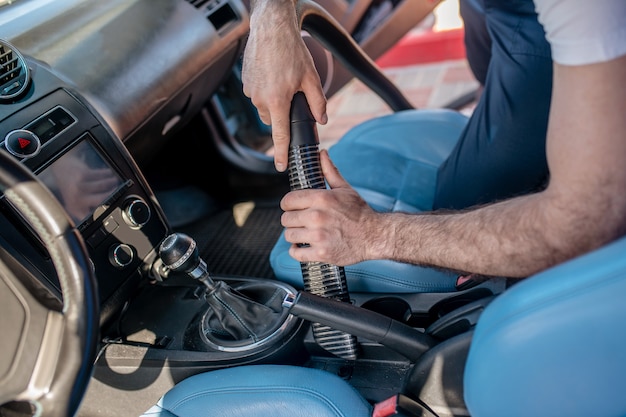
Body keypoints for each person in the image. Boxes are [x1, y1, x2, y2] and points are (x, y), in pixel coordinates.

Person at [242, 0, 626, 279]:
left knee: (465, 217)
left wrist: (373, 233)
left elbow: (583, 221)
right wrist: (271, 17)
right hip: (510, 17)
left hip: (549, 32)